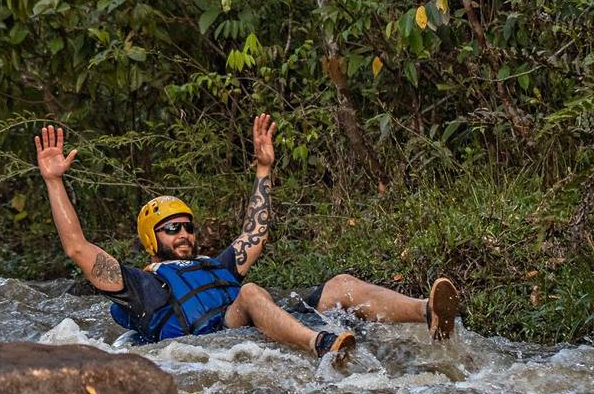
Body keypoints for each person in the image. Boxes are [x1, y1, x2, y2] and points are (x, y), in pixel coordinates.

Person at [34, 116, 460, 364]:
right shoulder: (141, 286)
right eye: (172, 228)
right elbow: (77, 248)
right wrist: (54, 182)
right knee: (252, 291)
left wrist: (263, 169)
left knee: (341, 284)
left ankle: (427, 312)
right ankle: (322, 346)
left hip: (256, 324)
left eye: (187, 226)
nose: (183, 234)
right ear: (152, 238)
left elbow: (255, 234)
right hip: (218, 337)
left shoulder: (215, 266)